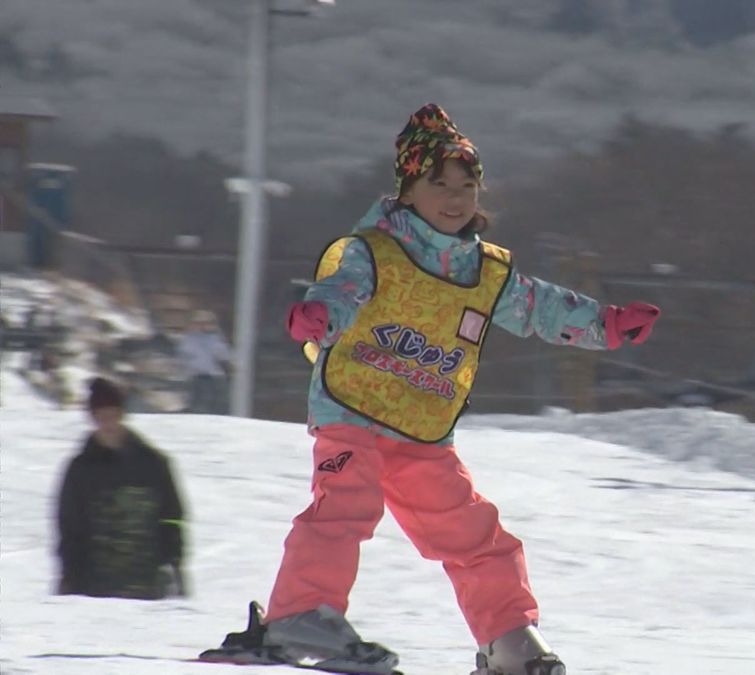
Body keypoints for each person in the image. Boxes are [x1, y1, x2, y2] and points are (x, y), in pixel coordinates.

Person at [201, 103, 661, 675]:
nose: (454, 197)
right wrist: (320, 314)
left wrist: (606, 324)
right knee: (346, 505)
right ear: (408, 190)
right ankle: (300, 615)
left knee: (473, 530)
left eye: (466, 185)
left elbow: (539, 307)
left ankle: (508, 639)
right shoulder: (376, 251)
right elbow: (342, 289)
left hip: (419, 427)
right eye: (436, 183)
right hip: (354, 408)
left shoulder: (485, 272)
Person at [56, 377, 187, 600]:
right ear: (93, 418)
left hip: (148, 589)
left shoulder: (154, 464)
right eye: (101, 417)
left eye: (112, 415)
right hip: (94, 590)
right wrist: (70, 577)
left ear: (122, 415)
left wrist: (171, 563)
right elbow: (69, 527)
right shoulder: (80, 470)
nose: (108, 424)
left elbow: (172, 517)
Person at [176, 309, 232, 414]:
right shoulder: (188, 340)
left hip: (214, 377)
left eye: (206, 323)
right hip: (196, 378)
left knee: (218, 405)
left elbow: (223, 356)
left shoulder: (215, 339)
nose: (202, 326)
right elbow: (184, 358)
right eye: (198, 323)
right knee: (199, 405)